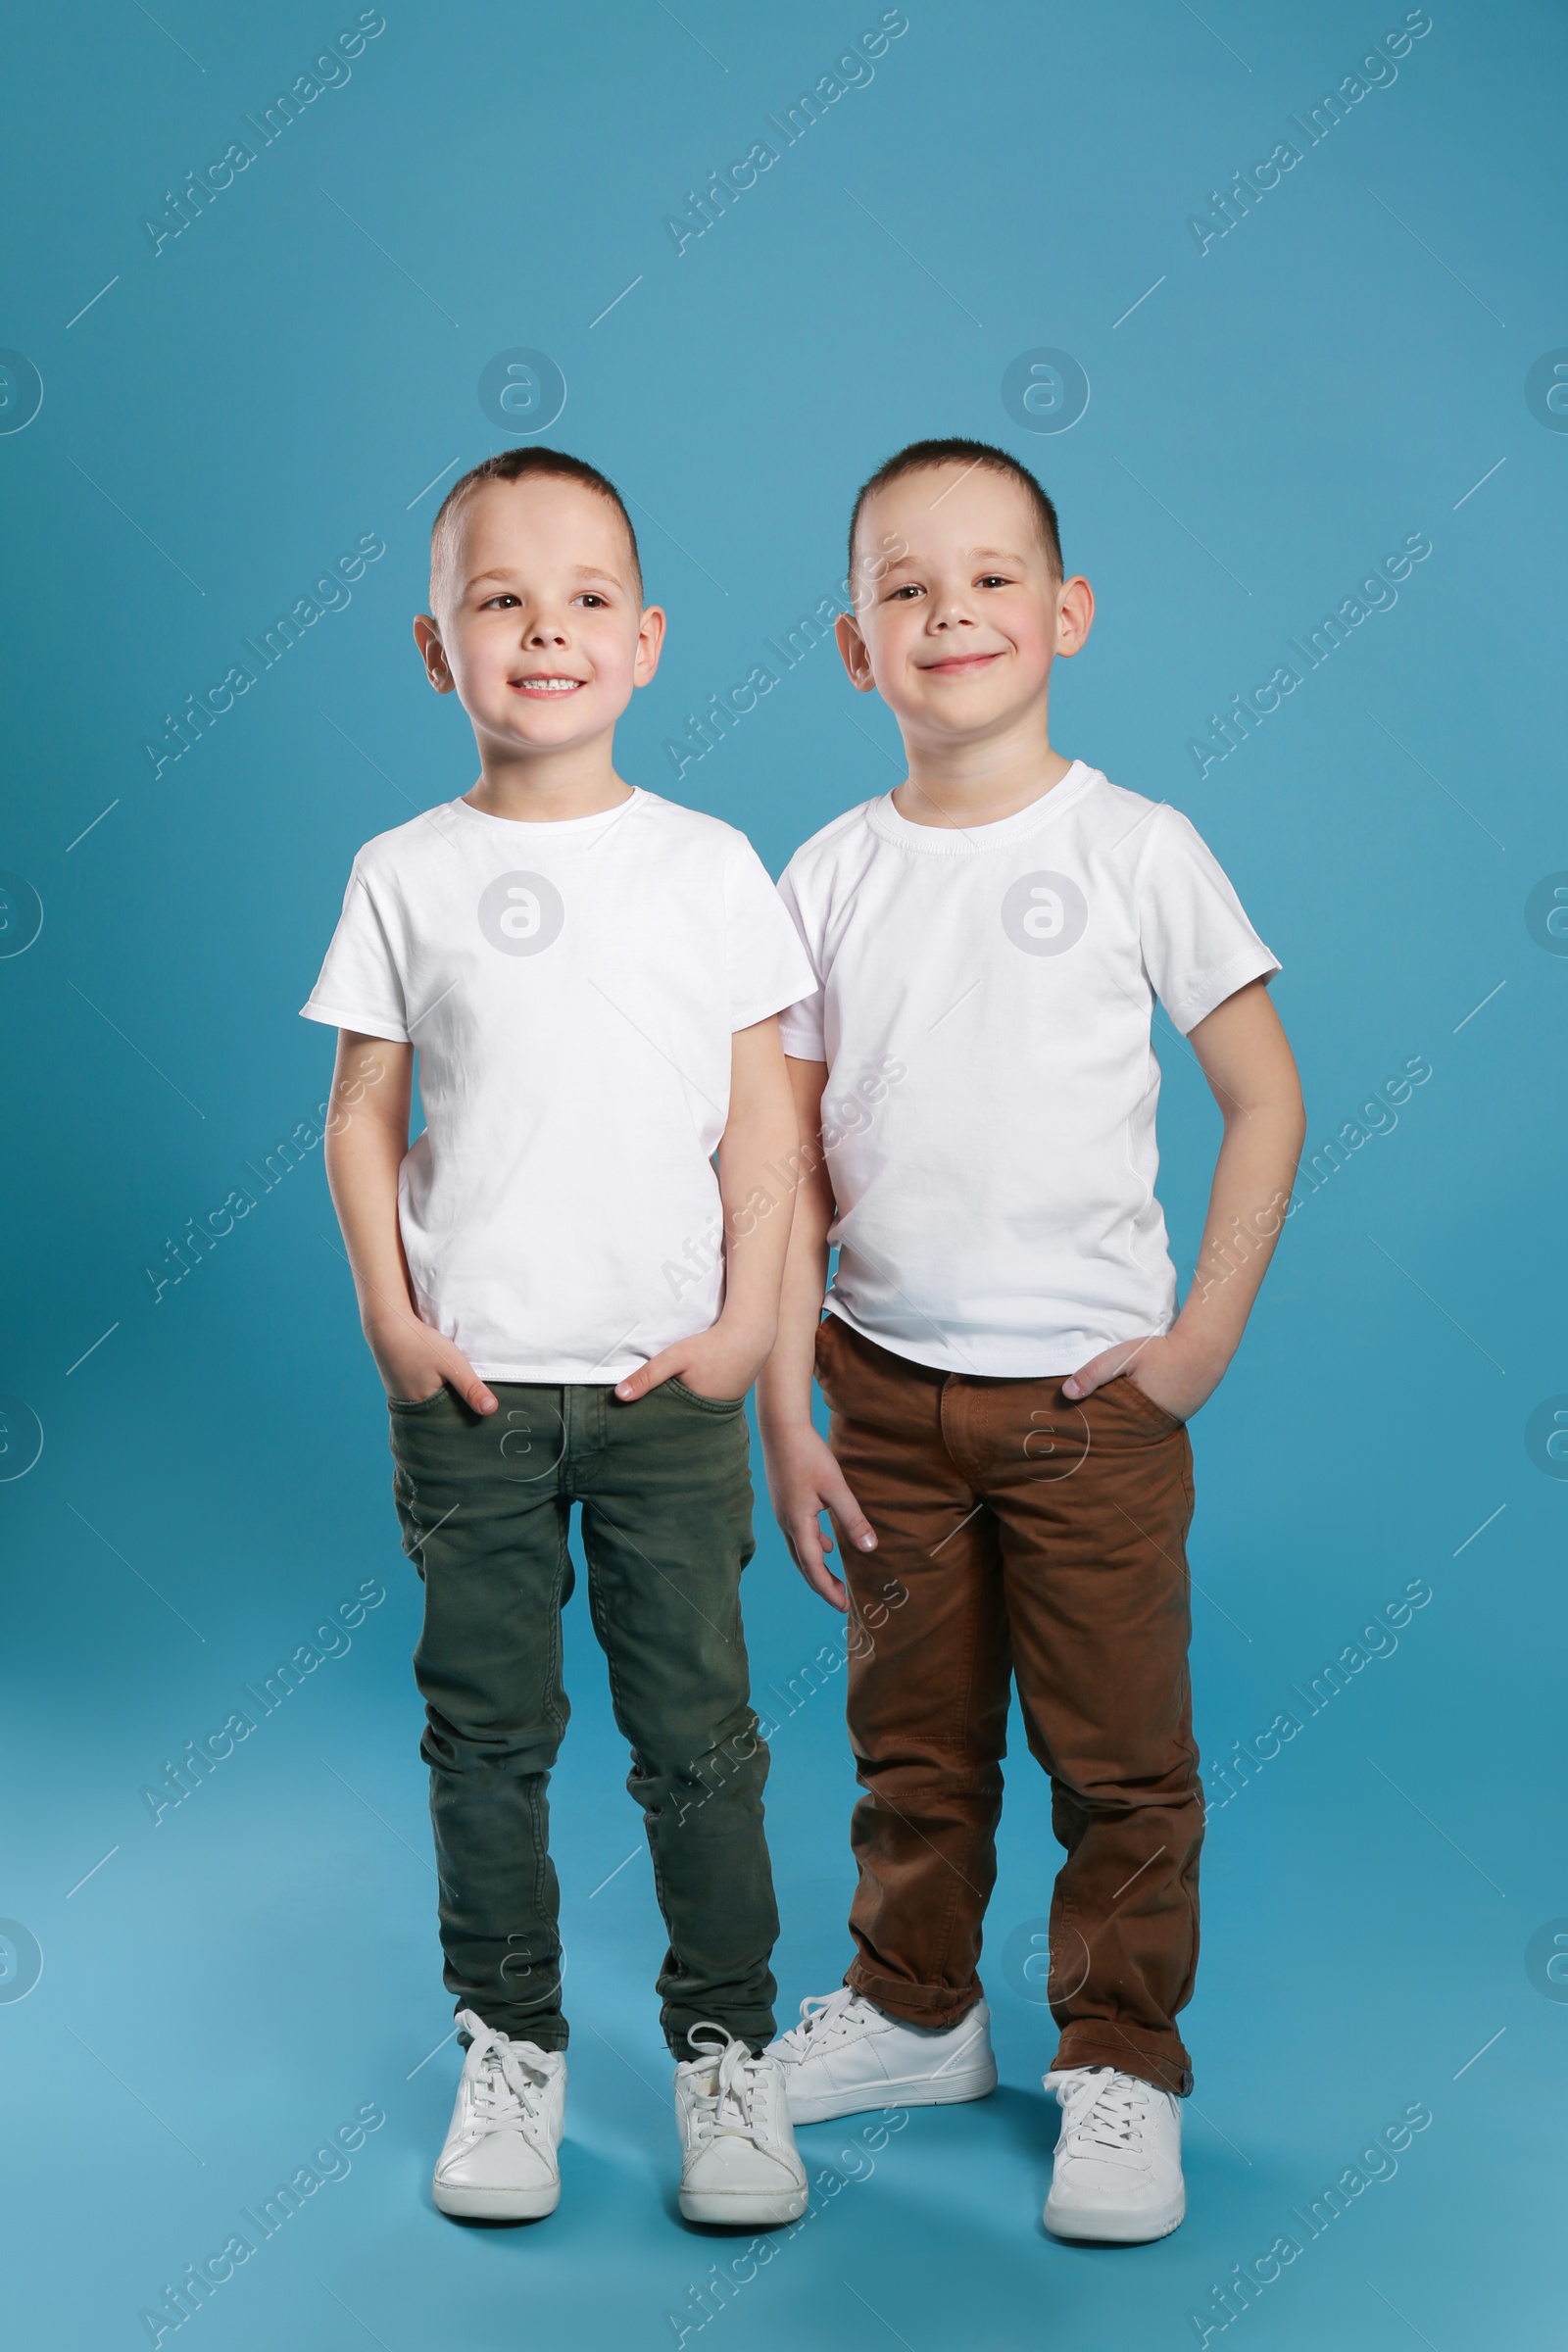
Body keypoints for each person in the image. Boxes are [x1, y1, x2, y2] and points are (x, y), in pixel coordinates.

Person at [758, 437, 1305, 2243]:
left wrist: (1202, 1327)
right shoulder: (824, 876)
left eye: (991, 578)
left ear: (1063, 613)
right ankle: (918, 2010)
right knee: (912, 1740)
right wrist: (791, 1410)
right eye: (904, 587)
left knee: (1118, 1752)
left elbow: (1264, 1095)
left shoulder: (1138, 847)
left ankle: (1123, 2062)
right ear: (854, 646)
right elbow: (788, 1169)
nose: (950, 612)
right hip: (881, 1398)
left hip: (1090, 1410)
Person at [303, 446, 814, 2228]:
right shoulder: (405, 872)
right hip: (473, 1389)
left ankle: (727, 2056)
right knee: (487, 1736)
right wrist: (391, 1310)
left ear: (649, 637)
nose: (546, 629)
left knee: (700, 1739)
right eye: (498, 598)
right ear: (438, 648)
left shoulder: (709, 866)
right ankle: (510, 2047)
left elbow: (766, 1129)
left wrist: (748, 1326)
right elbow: (363, 1110)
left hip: (669, 1388)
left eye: (587, 596)